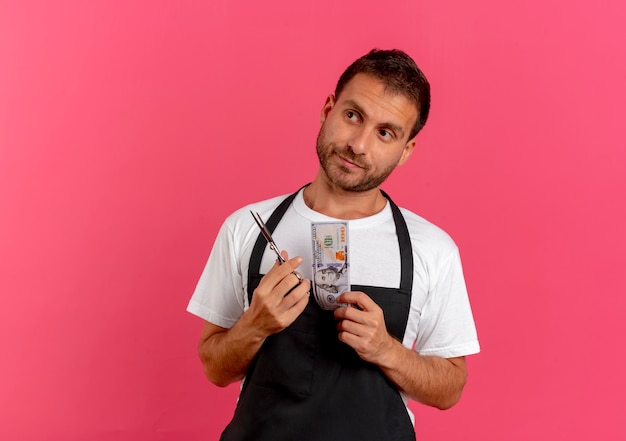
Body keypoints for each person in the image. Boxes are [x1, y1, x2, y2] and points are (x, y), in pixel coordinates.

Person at [187, 48, 480, 441]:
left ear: (406, 150)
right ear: (328, 109)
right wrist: (254, 327)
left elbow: (451, 389)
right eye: (353, 115)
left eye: (385, 132)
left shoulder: (432, 249)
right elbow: (214, 367)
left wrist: (384, 349)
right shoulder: (246, 228)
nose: (359, 145)